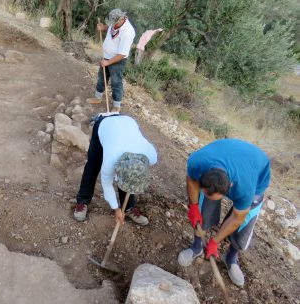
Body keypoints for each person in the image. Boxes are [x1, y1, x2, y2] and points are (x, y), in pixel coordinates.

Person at [178, 139, 270, 288]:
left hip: (256, 171)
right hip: (226, 154)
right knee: (202, 206)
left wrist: (215, 241)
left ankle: (231, 258)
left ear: (230, 187)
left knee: (245, 222)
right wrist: (194, 207)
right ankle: (197, 246)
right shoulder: (198, 162)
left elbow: (236, 219)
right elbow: (191, 180)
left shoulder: (245, 187)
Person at [73, 113, 157, 226]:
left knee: (131, 177)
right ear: (118, 166)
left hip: (127, 121)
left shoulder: (151, 157)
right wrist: (116, 209)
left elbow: (132, 176)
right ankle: (82, 201)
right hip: (104, 125)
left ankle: (128, 207)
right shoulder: (111, 158)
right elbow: (106, 184)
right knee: (93, 165)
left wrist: (134, 174)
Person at [89, 9, 136, 113]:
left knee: (116, 82)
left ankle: (116, 106)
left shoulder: (128, 32)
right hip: (106, 56)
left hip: (117, 60)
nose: (112, 25)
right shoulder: (116, 23)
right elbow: (111, 28)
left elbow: (122, 54)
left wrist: (108, 62)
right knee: (102, 77)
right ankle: (98, 97)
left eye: (114, 23)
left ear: (122, 19)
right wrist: (103, 27)